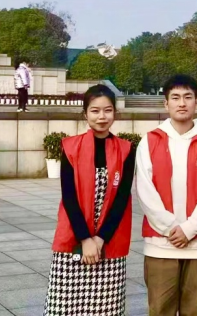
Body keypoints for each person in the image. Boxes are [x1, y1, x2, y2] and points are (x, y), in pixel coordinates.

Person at [136, 74, 197, 316]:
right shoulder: (150, 141)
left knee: (196, 310)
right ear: (166, 103)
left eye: (188, 97)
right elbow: (145, 190)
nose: (182, 103)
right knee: (160, 310)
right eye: (175, 97)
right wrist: (169, 227)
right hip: (160, 243)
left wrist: (190, 229)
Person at [43, 85, 136, 316]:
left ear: (115, 113)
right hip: (75, 236)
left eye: (107, 110)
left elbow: (122, 198)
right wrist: (85, 239)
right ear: (85, 114)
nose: (101, 117)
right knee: (63, 308)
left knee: (106, 308)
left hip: (109, 239)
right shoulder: (70, 147)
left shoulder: (125, 150)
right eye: (95, 111)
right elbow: (69, 196)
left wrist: (100, 238)